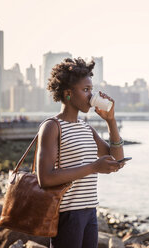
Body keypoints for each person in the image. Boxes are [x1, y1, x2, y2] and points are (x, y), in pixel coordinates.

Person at [37, 57, 125, 248]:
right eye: (85, 90)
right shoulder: (52, 127)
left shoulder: (87, 128)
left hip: (90, 211)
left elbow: (117, 161)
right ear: (68, 94)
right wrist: (94, 167)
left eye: (90, 90)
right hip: (67, 213)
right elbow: (45, 178)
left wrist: (111, 121)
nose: (90, 96)